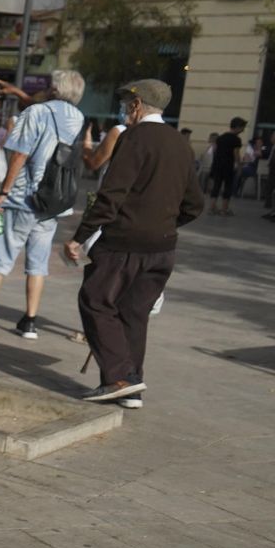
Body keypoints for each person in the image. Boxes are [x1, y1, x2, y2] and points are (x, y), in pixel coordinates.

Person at [64, 79, 202, 408]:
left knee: (95, 301)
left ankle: (118, 378)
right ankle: (131, 386)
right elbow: (195, 204)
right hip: (163, 248)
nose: (124, 110)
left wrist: (80, 237)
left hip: (124, 243)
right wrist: (164, 224)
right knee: (134, 313)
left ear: (137, 105)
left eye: (127, 103)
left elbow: (111, 195)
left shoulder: (134, 138)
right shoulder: (180, 142)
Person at [0, 69, 88, 340]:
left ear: (55, 88)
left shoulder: (36, 113)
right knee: (38, 263)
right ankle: (30, 321)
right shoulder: (79, 117)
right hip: (53, 203)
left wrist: (3, 192)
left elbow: (19, 155)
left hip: (23, 197)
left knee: (0, 254)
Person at [208, 117, 244, 215]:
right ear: (237, 127)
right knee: (228, 186)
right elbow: (236, 153)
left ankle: (212, 207)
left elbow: (215, 151)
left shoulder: (221, 137)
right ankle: (224, 209)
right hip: (228, 165)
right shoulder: (236, 139)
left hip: (217, 165)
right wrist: (239, 165)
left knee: (216, 186)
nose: (242, 130)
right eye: (242, 128)